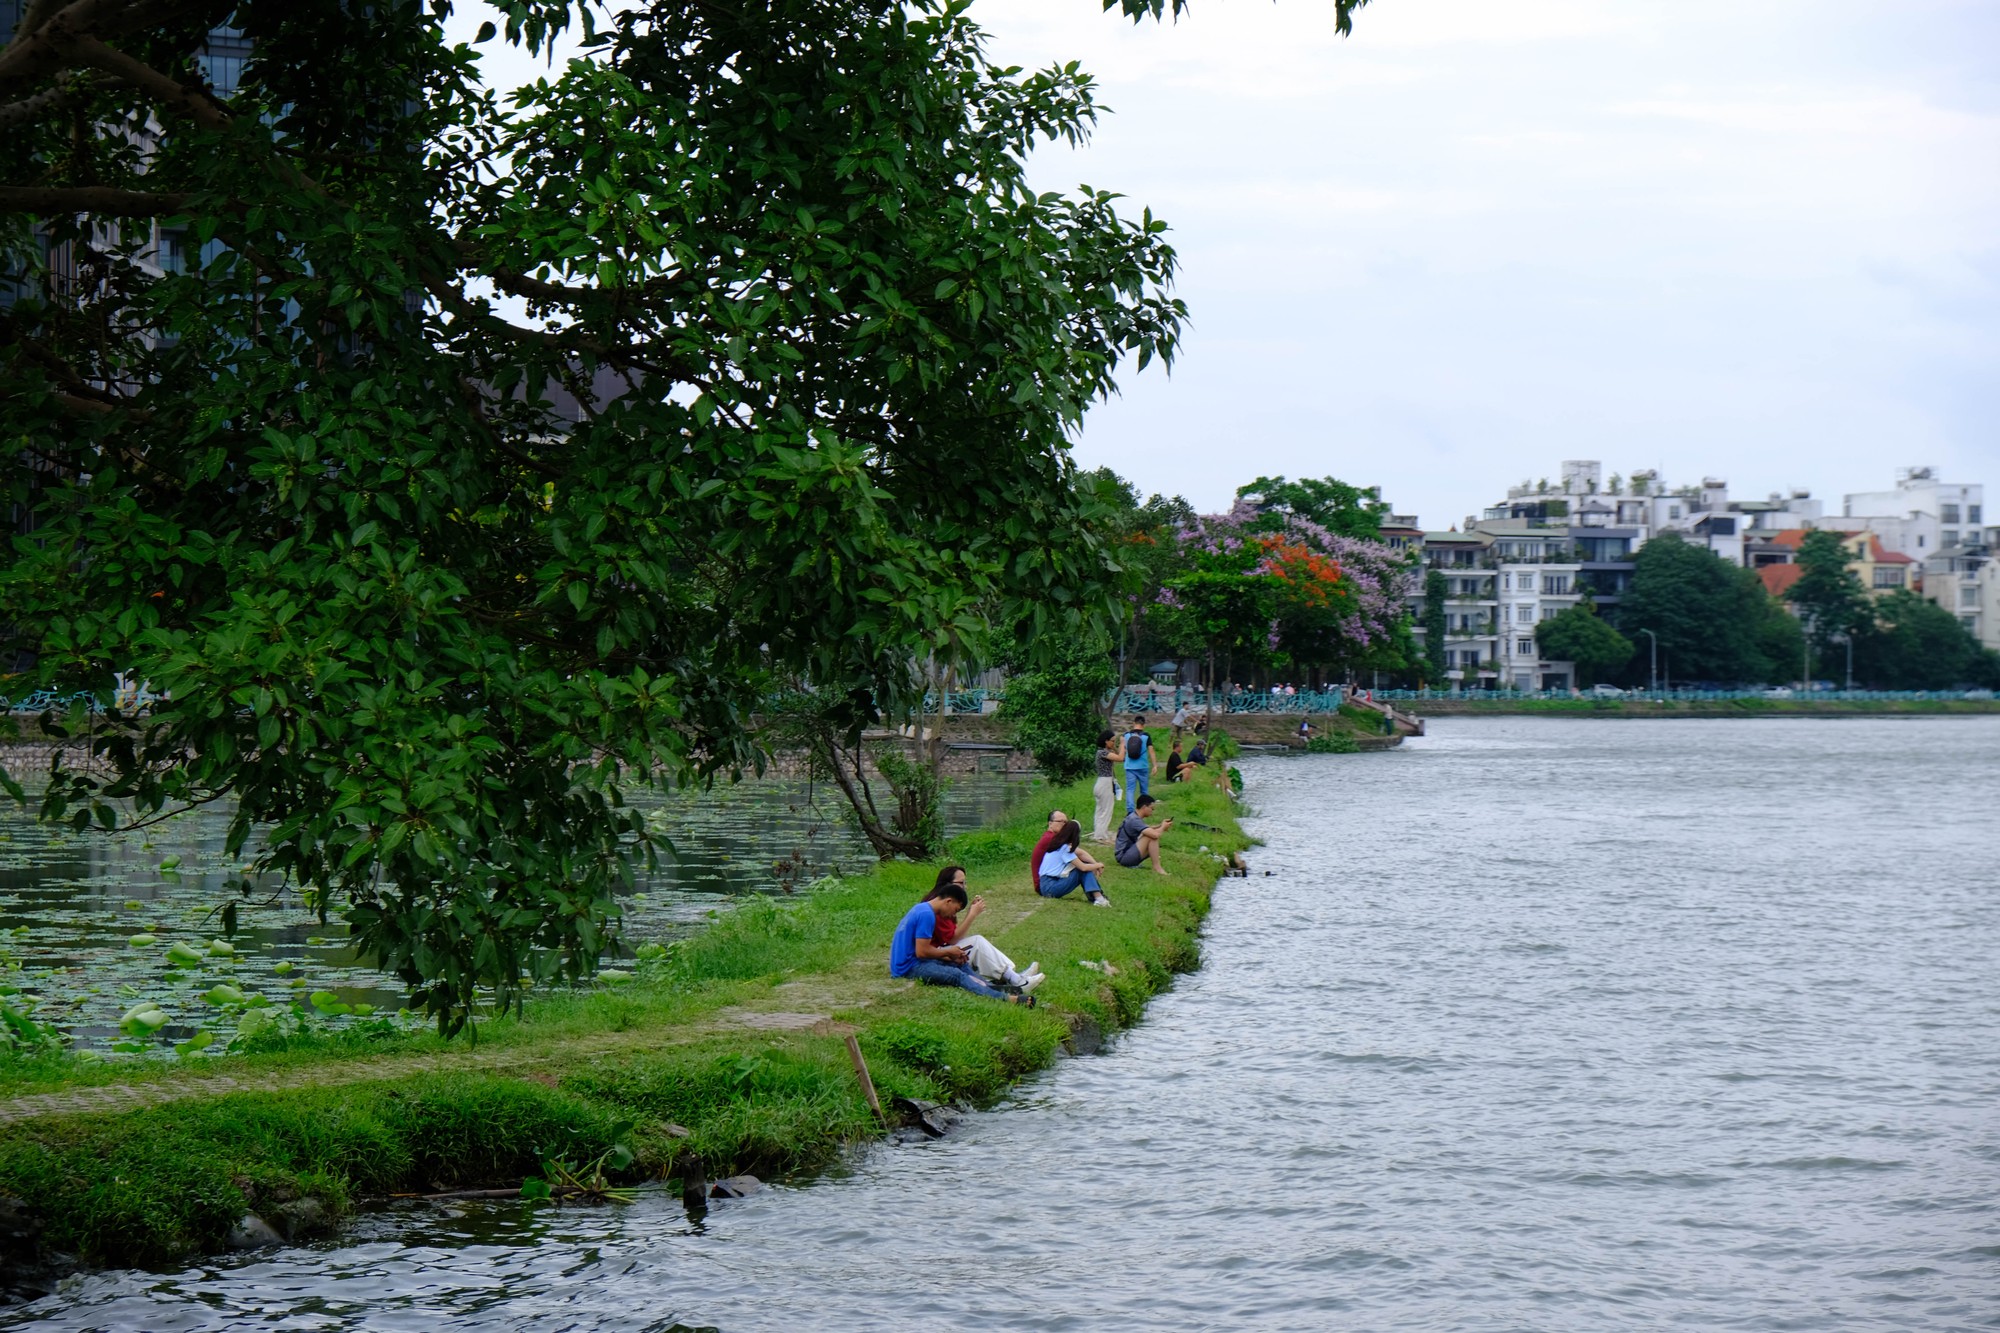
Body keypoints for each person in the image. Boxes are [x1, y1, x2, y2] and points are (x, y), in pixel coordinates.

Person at [889, 880, 1033, 1004]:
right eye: (955, 910)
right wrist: (948, 951)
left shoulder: (921, 908)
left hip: (914, 961)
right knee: (956, 976)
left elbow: (922, 951)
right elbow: (921, 952)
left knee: (960, 963)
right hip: (909, 968)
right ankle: (1004, 999)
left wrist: (950, 956)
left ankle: (988, 987)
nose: (953, 915)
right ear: (948, 901)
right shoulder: (927, 915)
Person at [928, 865, 1043, 994]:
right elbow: (953, 940)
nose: (965, 887)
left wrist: (970, 913)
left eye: (965, 883)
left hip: (938, 952)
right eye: (961, 883)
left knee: (976, 942)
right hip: (934, 957)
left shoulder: (939, 900)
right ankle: (1018, 980)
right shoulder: (938, 908)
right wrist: (972, 915)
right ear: (948, 884)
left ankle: (1014, 976)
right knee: (976, 943)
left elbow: (951, 937)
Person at [1038, 819, 1111, 906]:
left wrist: (1094, 863)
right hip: (1050, 887)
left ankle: (1097, 897)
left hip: (1045, 885)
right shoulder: (1064, 849)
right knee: (1082, 870)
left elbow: (1081, 854)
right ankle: (1099, 898)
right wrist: (1098, 865)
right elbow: (1083, 867)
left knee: (1083, 867)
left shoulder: (1057, 844)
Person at [1115, 794, 1172, 876]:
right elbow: (1154, 835)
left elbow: (1146, 828)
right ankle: (1157, 867)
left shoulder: (1133, 816)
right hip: (1124, 858)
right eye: (1152, 809)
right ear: (1144, 807)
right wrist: (1163, 828)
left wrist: (1160, 825)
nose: (1152, 811)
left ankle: (1156, 866)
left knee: (1151, 834)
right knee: (1152, 837)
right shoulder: (1134, 820)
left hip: (1125, 855)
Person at [1028, 807, 1068, 892]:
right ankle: (1097, 896)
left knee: (1083, 867)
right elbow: (1077, 854)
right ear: (1050, 823)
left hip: (1048, 879)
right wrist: (1094, 864)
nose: (1064, 824)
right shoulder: (1050, 838)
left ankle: (1096, 895)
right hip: (1044, 884)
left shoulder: (1051, 837)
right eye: (1060, 821)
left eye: (1066, 822)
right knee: (1082, 868)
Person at [1121, 715, 1154, 815]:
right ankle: (1144, 809)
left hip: (1130, 766)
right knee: (1144, 790)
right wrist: (1155, 765)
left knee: (1130, 789)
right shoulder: (1146, 736)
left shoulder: (1126, 735)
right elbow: (1151, 751)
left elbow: (1123, 750)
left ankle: (1130, 811)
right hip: (1143, 766)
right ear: (1143, 725)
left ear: (1134, 723)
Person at [1091, 731, 1120, 843]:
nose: (1114, 743)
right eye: (1112, 741)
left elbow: (1118, 755)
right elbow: (1121, 758)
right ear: (1106, 741)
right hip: (1105, 783)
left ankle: (1099, 831)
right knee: (1106, 809)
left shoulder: (1103, 752)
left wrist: (1115, 747)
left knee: (1100, 809)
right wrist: (1122, 744)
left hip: (1102, 783)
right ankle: (1101, 834)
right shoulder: (1103, 753)